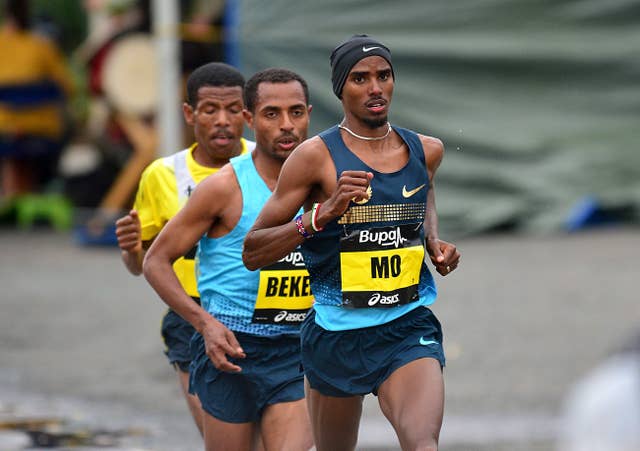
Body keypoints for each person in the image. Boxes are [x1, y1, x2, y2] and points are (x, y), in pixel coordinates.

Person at [243, 34, 461, 451]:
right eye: (360, 78)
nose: (375, 88)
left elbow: (424, 190)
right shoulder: (313, 157)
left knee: (423, 443)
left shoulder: (426, 150)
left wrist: (432, 239)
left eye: (383, 76)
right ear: (340, 88)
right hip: (335, 336)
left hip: (407, 327)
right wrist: (322, 214)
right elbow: (253, 250)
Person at [142, 68, 314, 451]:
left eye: (296, 112)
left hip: (297, 350)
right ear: (250, 119)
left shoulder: (323, 178)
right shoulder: (222, 187)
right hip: (230, 350)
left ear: (309, 114)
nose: (286, 125)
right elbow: (155, 261)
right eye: (272, 114)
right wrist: (204, 325)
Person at [114, 62, 254, 436]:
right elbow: (143, 265)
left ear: (249, 113)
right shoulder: (162, 175)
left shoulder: (269, 162)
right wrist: (130, 250)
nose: (223, 120)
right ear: (190, 114)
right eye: (210, 110)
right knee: (221, 436)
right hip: (190, 318)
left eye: (233, 110)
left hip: (265, 316)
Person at [0, 0, 74, 199]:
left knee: (11, 149)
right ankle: (30, 195)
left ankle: (11, 197)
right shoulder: (43, 46)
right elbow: (68, 87)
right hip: (43, 130)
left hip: (4, 128)